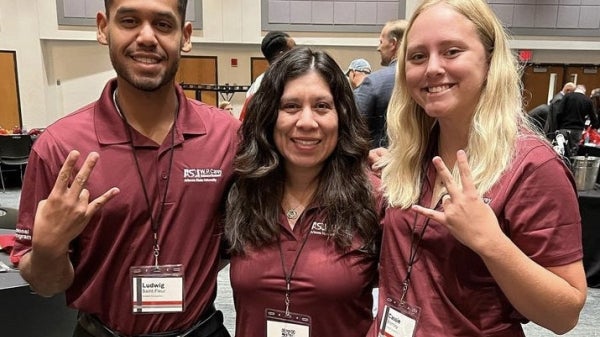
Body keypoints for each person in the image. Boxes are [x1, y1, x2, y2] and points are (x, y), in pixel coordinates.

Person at [10, 0, 239, 336]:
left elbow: (236, 241)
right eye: (129, 21)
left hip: (200, 330)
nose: (147, 37)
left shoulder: (227, 137)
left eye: (163, 24)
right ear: (104, 28)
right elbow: (46, 285)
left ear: (185, 36)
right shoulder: (60, 148)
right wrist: (49, 248)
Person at [371, 0, 587, 336]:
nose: (432, 68)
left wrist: (490, 241)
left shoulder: (532, 166)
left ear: (489, 60)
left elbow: (564, 315)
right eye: (417, 56)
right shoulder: (410, 156)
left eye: (452, 51)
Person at [225, 47, 380, 337]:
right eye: (291, 106)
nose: (307, 122)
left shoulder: (373, 198)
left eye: (322, 106)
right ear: (270, 116)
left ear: (341, 115)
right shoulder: (242, 192)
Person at [354, 19, 408, 148]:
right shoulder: (424, 80)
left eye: (381, 42)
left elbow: (353, 127)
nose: (378, 48)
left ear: (393, 43)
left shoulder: (374, 83)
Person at [239, 31, 296, 121]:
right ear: (283, 55)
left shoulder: (257, 84)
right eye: (293, 50)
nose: (297, 54)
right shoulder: (262, 86)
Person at [556, 84, 600, 152]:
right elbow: (593, 119)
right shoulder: (588, 100)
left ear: (576, 89)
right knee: (573, 151)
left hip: (564, 128)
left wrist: (558, 127)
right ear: (584, 91)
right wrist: (595, 126)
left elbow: (559, 113)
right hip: (577, 131)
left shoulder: (567, 96)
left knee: (561, 150)